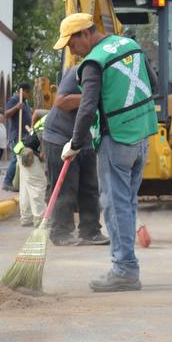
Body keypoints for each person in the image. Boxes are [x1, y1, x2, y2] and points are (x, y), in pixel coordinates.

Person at [58, 13, 158, 292]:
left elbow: (87, 107)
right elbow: (156, 86)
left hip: (116, 140)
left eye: (70, 43)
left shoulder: (94, 62)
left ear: (84, 35)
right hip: (141, 139)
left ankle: (124, 270)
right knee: (127, 203)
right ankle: (127, 265)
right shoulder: (131, 46)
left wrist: (75, 144)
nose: (71, 51)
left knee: (115, 206)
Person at [41, 64, 107, 247]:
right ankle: (60, 232)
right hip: (59, 137)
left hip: (83, 138)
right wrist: (91, 96)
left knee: (90, 187)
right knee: (66, 189)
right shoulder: (80, 70)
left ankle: (90, 231)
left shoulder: (112, 79)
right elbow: (61, 101)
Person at [1, 82, 33, 192]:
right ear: (22, 91)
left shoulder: (25, 103)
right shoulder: (15, 100)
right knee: (16, 158)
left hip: (24, 135)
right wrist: (16, 107)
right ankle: (7, 182)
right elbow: (6, 114)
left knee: (20, 158)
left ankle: (17, 182)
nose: (29, 94)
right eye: (27, 92)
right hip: (16, 135)